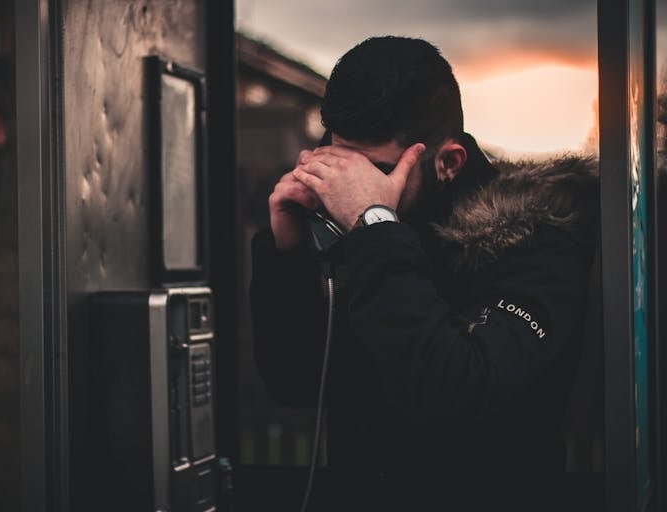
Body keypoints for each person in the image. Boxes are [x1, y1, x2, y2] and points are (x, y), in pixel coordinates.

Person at [250, 36, 598, 511]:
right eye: (343, 162)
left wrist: (374, 225)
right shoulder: (366, 236)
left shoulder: (536, 240)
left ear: (448, 162)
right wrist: (287, 254)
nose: (354, 187)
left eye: (376, 169)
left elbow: (462, 390)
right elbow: (293, 382)